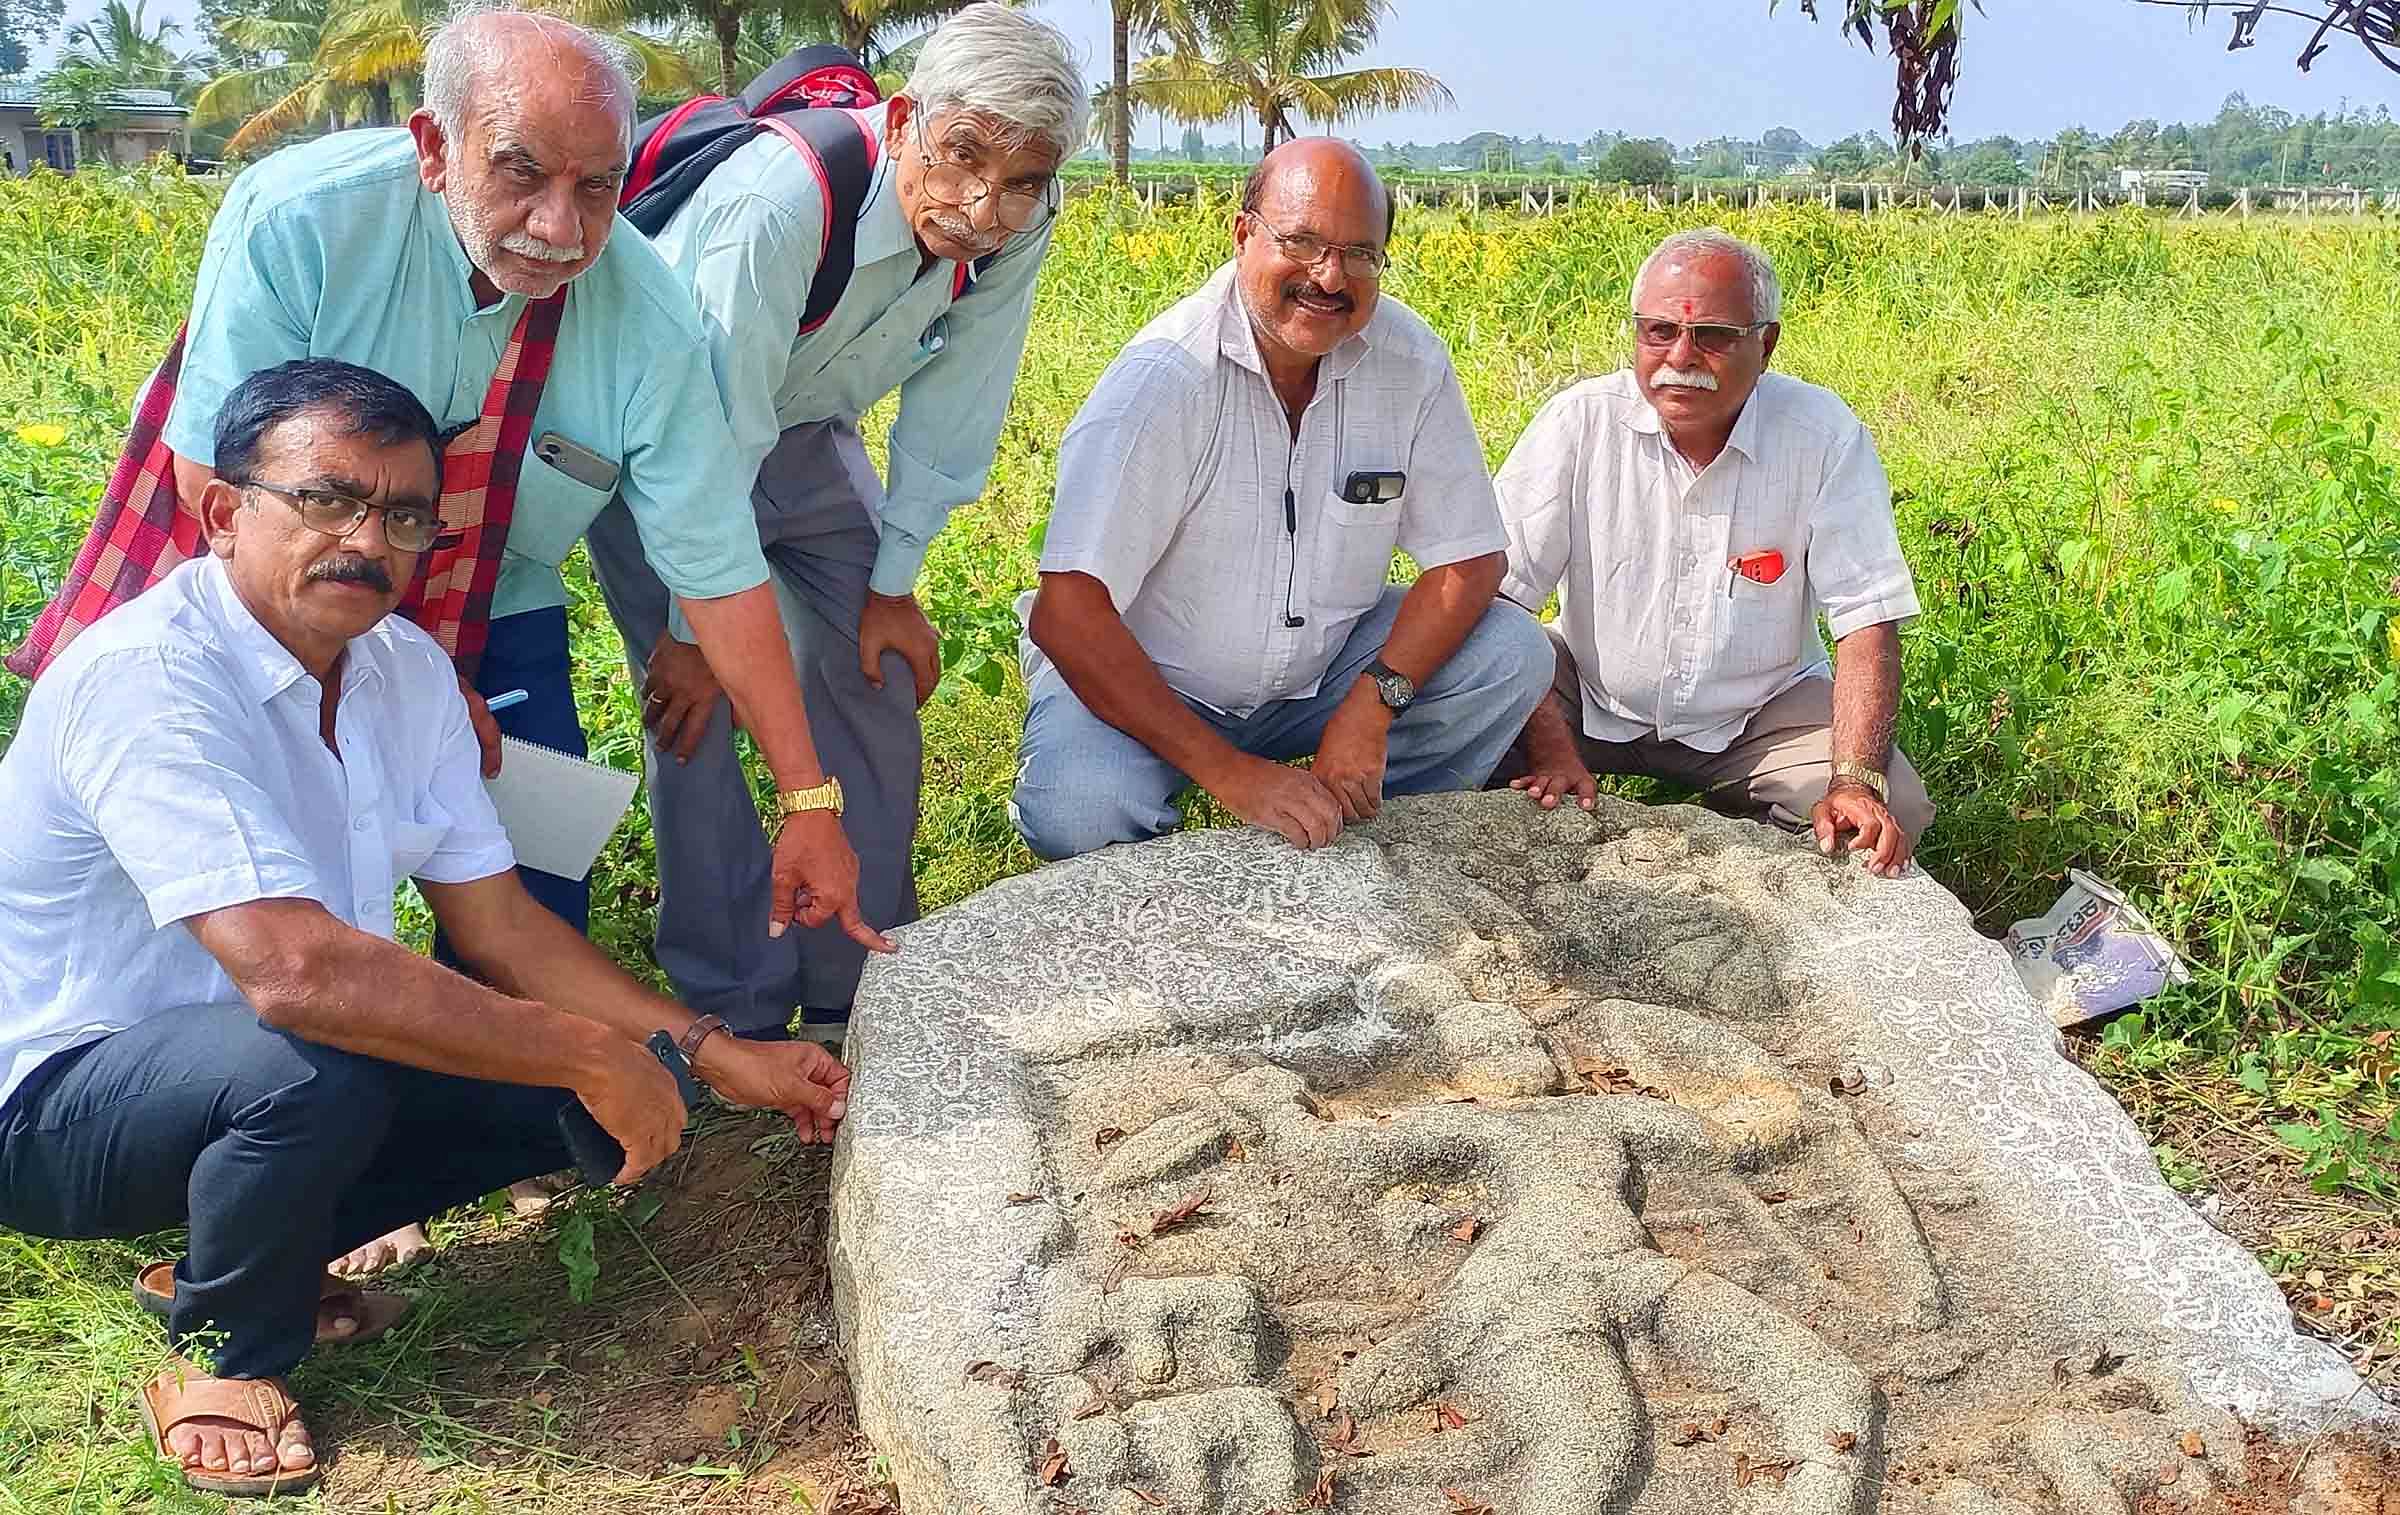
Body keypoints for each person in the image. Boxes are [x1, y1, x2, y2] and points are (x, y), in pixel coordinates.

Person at [0, 360, 852, 1500]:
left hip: (254, 1073)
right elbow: (297, 976)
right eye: (326, 500)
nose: (368, 539)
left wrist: (702, 1047)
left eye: (403, 515)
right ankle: (221, 1358)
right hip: (56, 1109)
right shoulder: (148, 679)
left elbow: (499, 925)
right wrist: (581, 1048)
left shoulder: (401, 671)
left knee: (565, 1074)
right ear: (219, 512)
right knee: (325, 1060)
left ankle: (249, 1259)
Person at [586, 3, 1086, 1040]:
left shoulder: (1016, 227)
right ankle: (733, 1002)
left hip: (803, 431)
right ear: (904, 121)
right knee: (696, 707)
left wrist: (893, 583)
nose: (984, 206)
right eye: (961, 158)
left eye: (1022, 179)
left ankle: (854, 979)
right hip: (661, 448)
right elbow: (710, 439)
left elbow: (961, 406)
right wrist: (692, 635)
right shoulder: (782, 201)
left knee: (875, 668)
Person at [1011, 138, 1551, 862]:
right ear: (1243, 236)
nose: (1329, 276)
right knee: (1079, 813)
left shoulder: (1410, 361)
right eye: (1301, 242)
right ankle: (1223, 832)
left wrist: (1374, 702)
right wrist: (1233, 775)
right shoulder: (1162, 381)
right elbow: (1067, 614)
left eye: (1361, 253)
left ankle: (1369, 838)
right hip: (1149, 678)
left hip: (1323, 669)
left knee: (1512, 651)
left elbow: (1472, 560)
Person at [1491, 228, 1932, 877]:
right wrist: (1549, 742)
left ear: (1767, 344)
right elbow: (1496, 598)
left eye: (1713, 336)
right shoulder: (1578, 422)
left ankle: (1751, 845)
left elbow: (1867, 622)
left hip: (1757, 712)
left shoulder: (1823, 436)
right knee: (1453, 712)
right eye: (1658, 332)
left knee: (1894, 811)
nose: (1680, 357)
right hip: (1585, 691)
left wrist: (1854, 783)